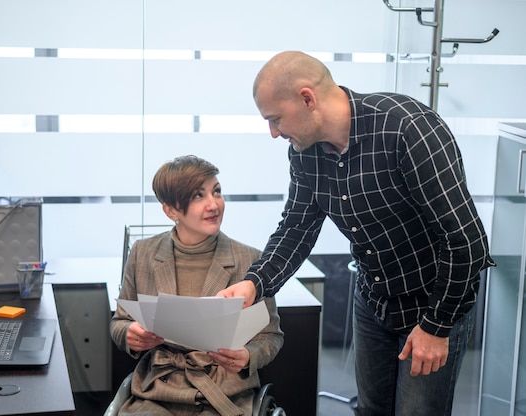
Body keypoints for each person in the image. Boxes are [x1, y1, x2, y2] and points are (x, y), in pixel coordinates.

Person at [217, 51, 495, 416]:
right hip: (374, 298)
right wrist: (255, 283)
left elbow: (467, 243)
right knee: (370, 410)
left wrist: (436, 326)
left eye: (275, 119)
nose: (273, 133)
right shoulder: (305, 153)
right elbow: (297, 227)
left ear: (307, 99)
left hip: (433, 301)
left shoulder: (407, 129)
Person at [110, 155, 284, 416]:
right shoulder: (143, 252)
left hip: (225, 391)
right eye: (198, 196)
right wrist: (130, 335)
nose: (213, 204)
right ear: (170, 210)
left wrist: (248, 356)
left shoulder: (251, 260)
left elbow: (271, 336)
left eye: (217, 192)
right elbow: (120, 321)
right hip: (157, 390)